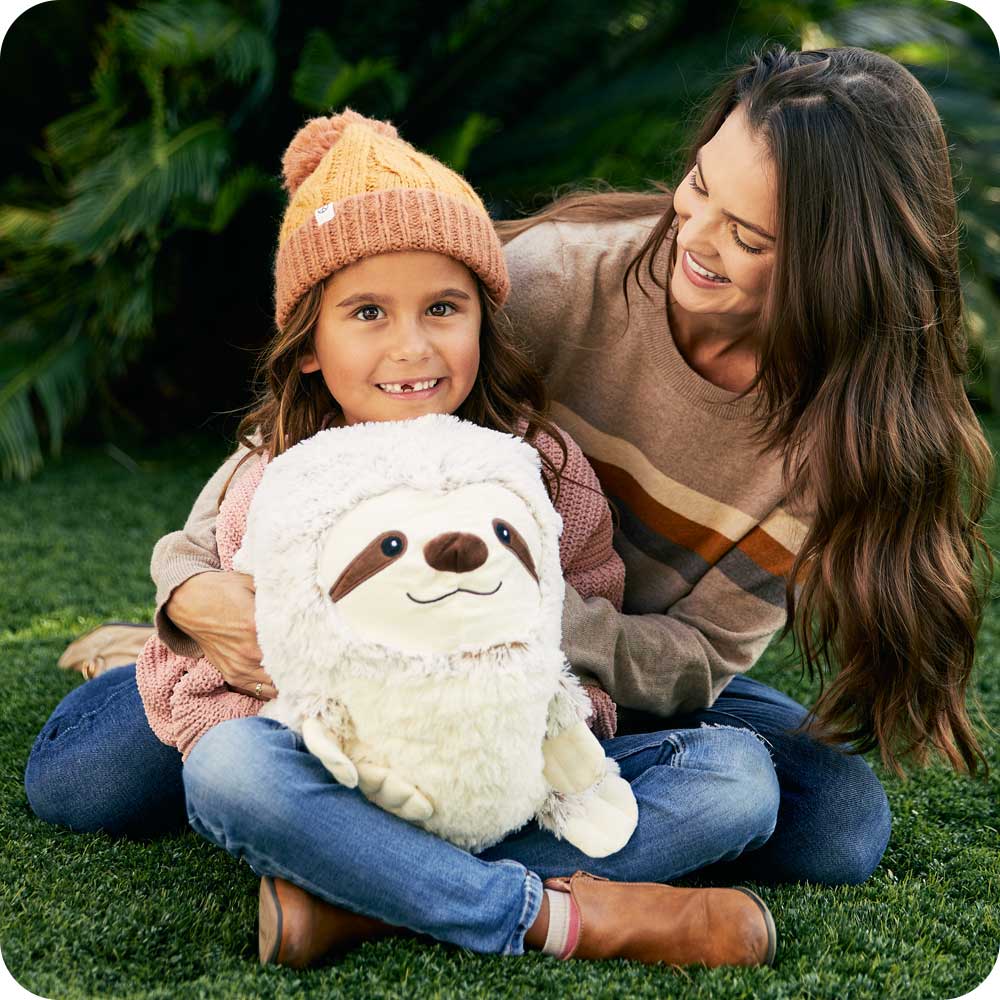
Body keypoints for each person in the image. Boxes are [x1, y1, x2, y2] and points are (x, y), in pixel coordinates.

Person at [25, 109, 779, 968]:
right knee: (191, 772)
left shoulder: (538, 466)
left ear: (484, 319)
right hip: (333, 753)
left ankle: (364, 896)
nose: (411, 347)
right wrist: (216, 631)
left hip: (492, 760)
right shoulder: (288, 463)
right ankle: (544, 916)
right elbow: (221, 609)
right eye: (368, 313)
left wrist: (530, 676)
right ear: (309, 344)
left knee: (741, 784)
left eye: (443, 308)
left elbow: (588, 639)